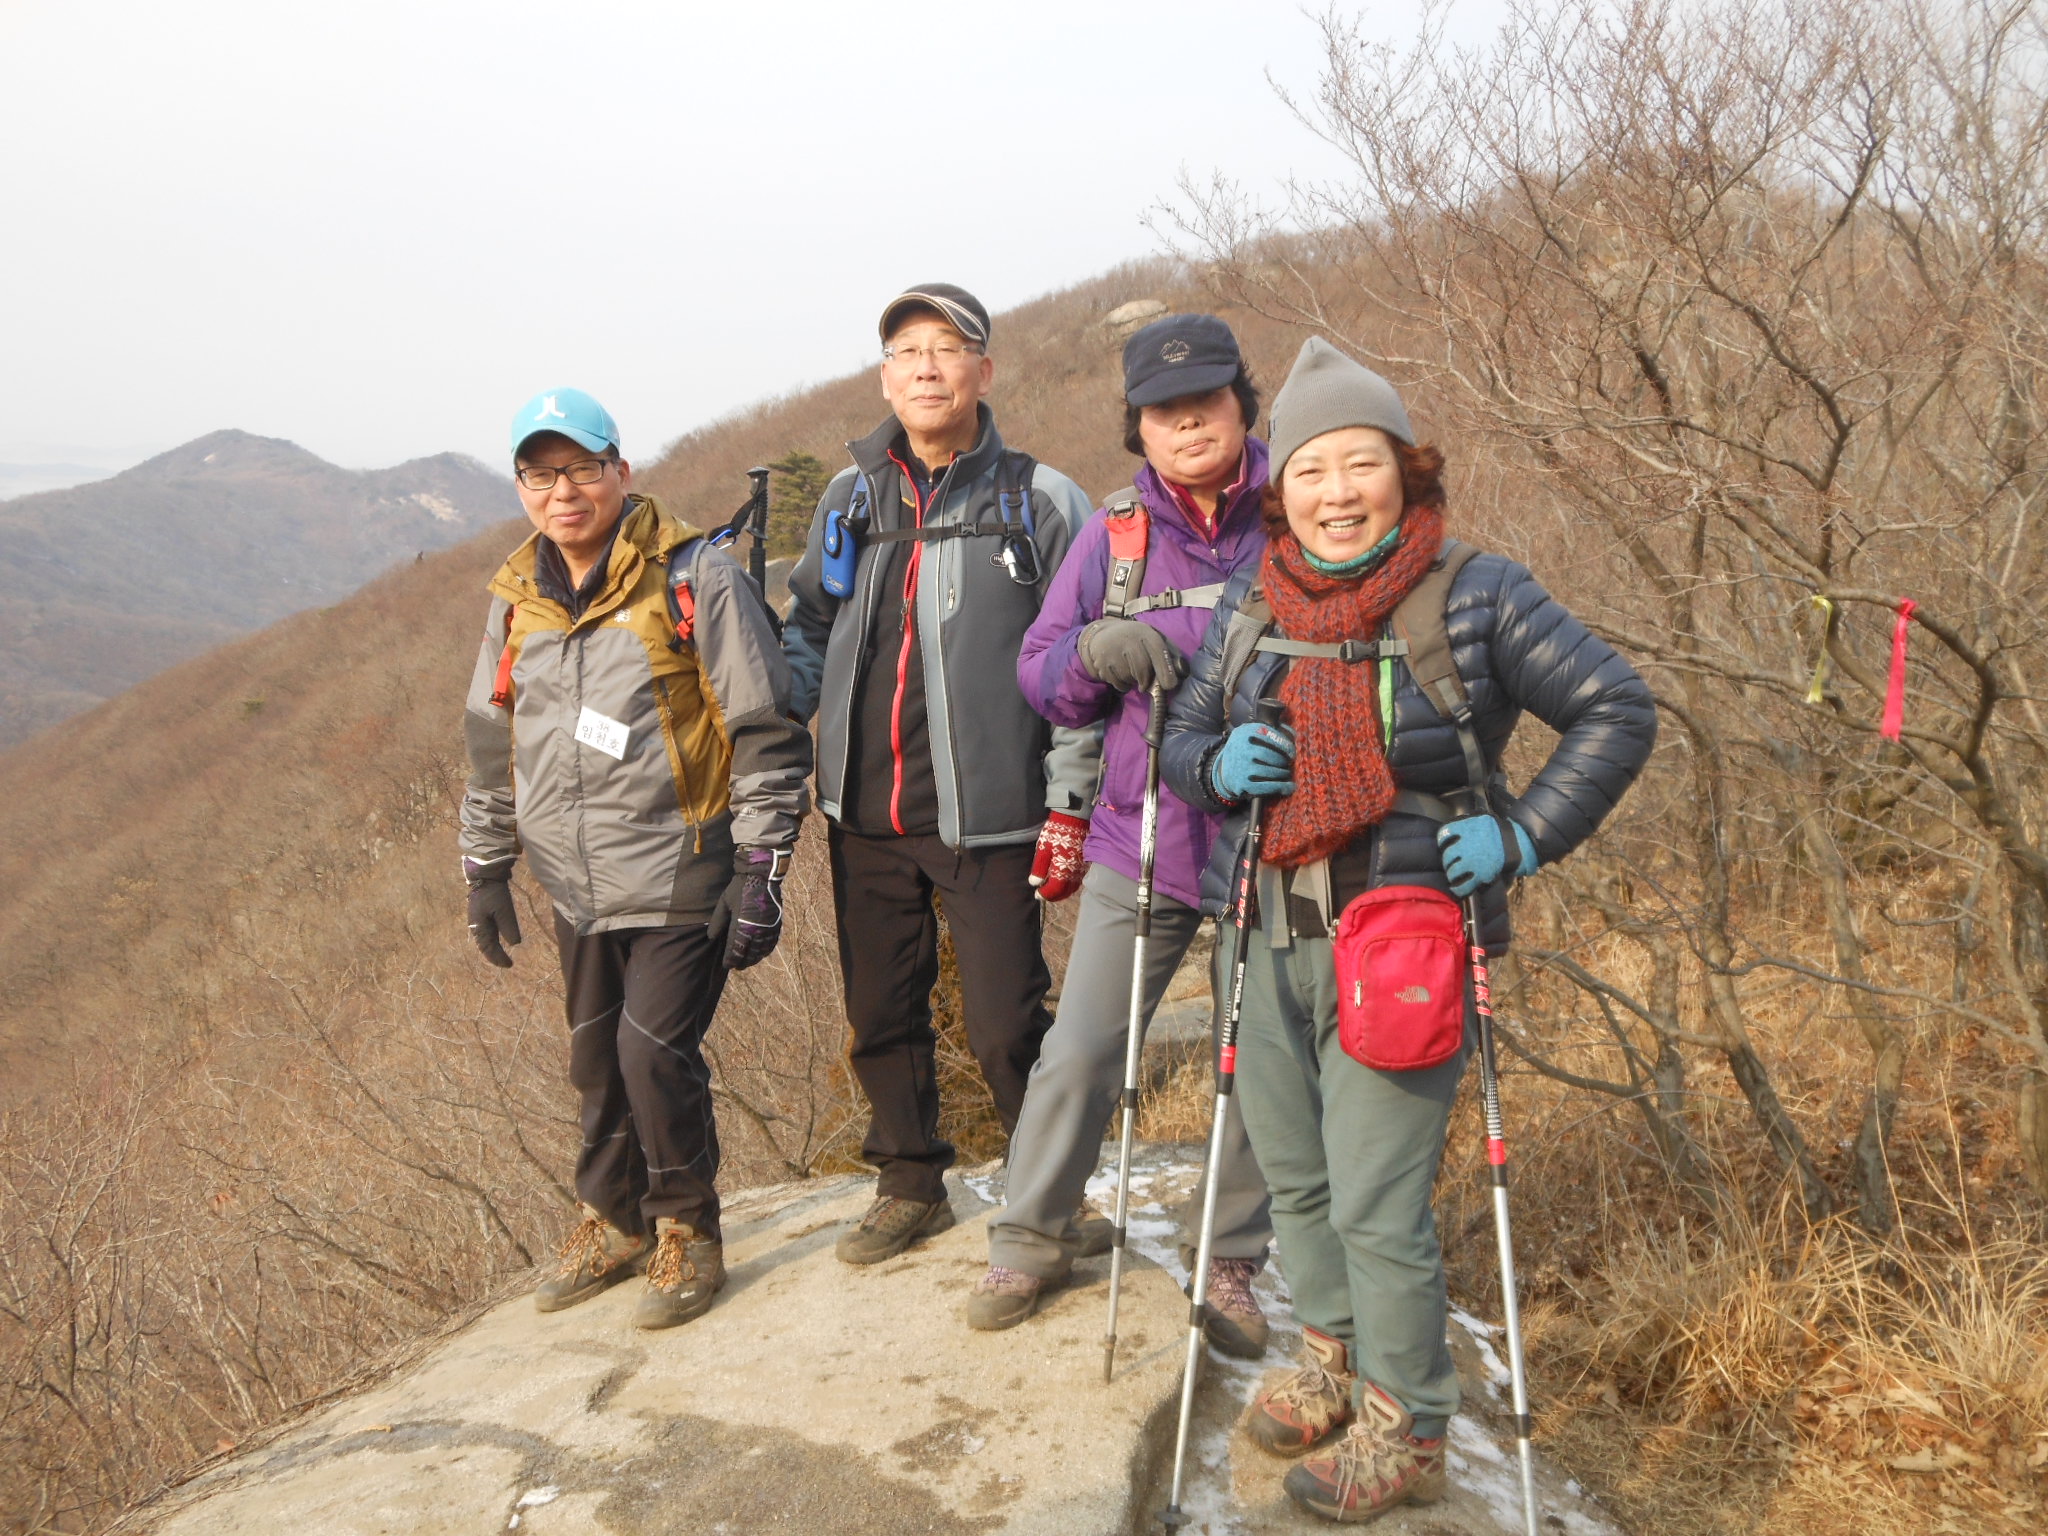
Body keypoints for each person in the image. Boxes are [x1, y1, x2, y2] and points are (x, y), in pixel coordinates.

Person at [1162, 338, 1656, 1522]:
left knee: (1375, 1199)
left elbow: (1613, 705)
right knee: (1296, 1180)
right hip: (1261, 932)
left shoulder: (1477, 592)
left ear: (1403, 468)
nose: (1336, 493)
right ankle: (1330, 1354)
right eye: (1311, 468)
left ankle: (1408, 1422)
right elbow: (1182, 735)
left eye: (1360, 463)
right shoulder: (1251, 600)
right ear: (1279, 487)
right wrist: (1215, 766)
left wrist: (1524, 836)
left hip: (1402, 946)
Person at [460, 387, 811, 1330]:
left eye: (581, 468)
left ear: (621, 470)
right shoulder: (516, 600)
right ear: (521, 487)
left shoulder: (697, 578)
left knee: (651, 1056)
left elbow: (764, 729)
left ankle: (687, 1230)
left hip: (680, 866)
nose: (562, 491)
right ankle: (613, 1221)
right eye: (540, 474)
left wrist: (761, 867)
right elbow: (492, 743)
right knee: (595, 1062)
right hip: (574, 880)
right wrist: (486, 866)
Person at [973, 314, 1276, 1351]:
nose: (1186, 422)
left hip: (1277, 835)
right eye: (1162, 409)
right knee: (1082, 1048)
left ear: (1242, 403)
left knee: (1258, 1056)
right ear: (1137, 426)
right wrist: (1093, 652)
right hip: (1142, 832)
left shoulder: (1298, 512)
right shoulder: (1116, 534)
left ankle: (1228, 1256)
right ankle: (1030, 1234)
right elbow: (1039, 672)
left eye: (1206, 401)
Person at [782, 285, 1096, 1265]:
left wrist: (1071, 803)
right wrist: (769, 717)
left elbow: (1086, 664)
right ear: (885, 378)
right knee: (880, 1015)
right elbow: (808, 626)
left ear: (983, 371)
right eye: (906, 351)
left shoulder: (1040, 500)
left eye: (947, 348)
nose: (926, 366)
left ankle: (1050, 1195)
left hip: (992, 815)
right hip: (863, 811)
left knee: (1006, 1024)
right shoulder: (850, 499)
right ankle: (909, 1183)